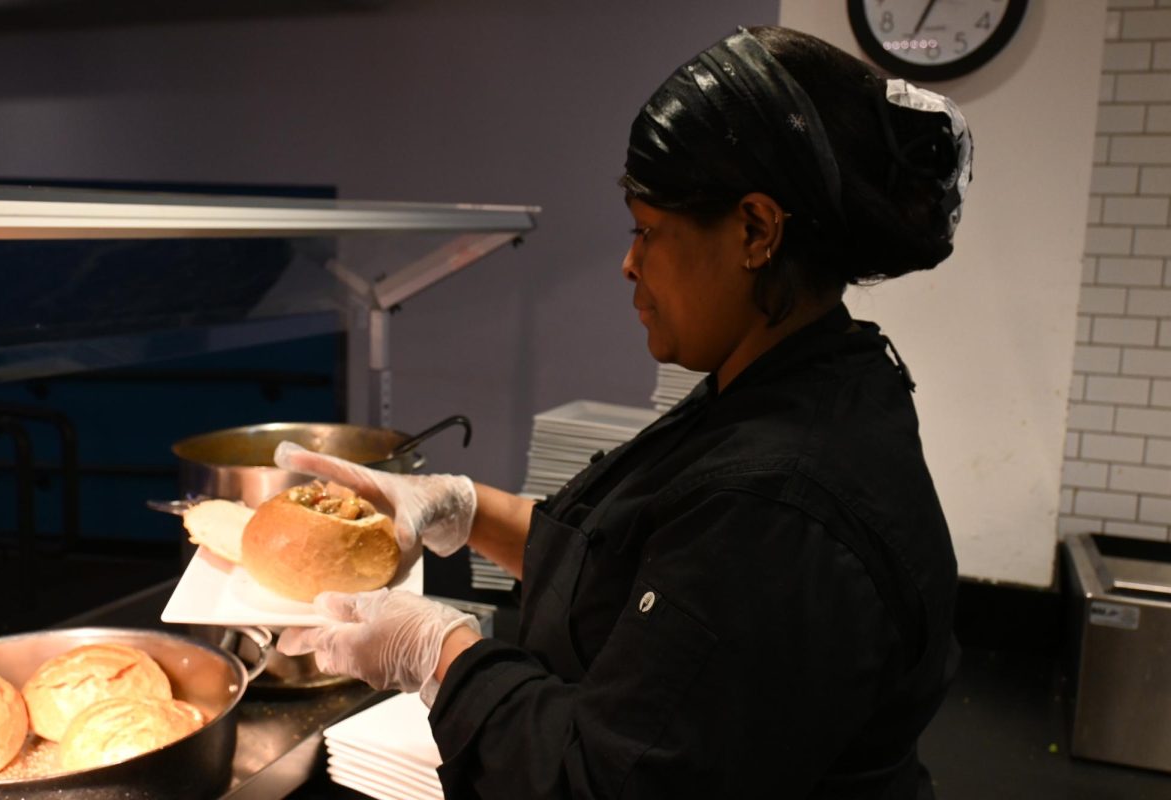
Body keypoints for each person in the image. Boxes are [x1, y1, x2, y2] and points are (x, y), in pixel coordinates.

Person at [275, 24, 968, 799]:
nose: (629, 263)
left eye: (649, 231)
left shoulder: (779, 502)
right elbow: (637, 569)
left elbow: (602, 780)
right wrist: (458, 506)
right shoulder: (802, 380)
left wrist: (438, 653)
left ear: (755, 229)